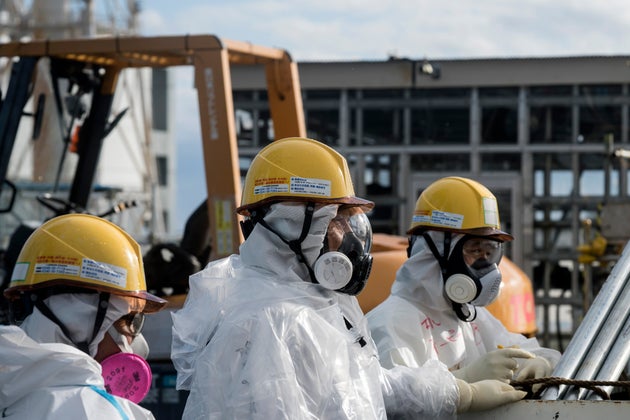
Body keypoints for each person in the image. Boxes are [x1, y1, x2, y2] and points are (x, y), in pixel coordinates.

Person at [171, 137, 527, 419]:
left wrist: (457, 392)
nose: (347, 237)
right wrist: (461, 390)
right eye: (337, 219)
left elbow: (368, 387)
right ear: (293, 223)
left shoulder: (305, 304)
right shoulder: (271, 319)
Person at [367, 176, 561, 392]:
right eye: (475, 250)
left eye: (490, 252)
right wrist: (464, 380)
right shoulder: (391, 323)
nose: (485, 265)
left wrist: (541, 361)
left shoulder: (468, 315)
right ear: (436, 250)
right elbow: (398, 402)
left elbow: (522, 349)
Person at [0, 213, 168, 419]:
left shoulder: (11, 395)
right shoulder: (91, 410)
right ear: (79, 317)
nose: (132, 342)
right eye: (128, 321)